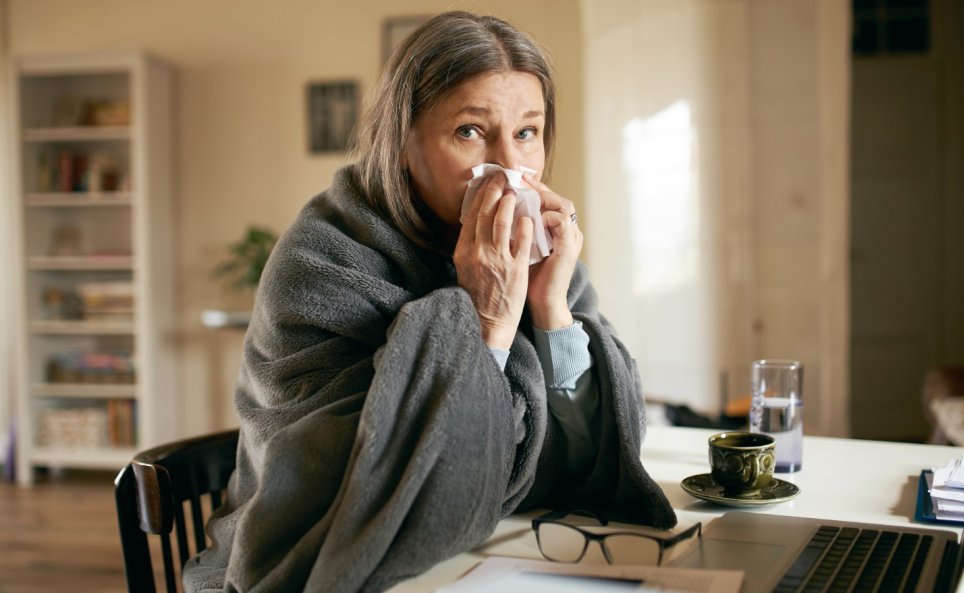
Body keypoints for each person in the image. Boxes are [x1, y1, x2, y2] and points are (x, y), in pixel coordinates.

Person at [184, 11, 676, 593]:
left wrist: (551, 312)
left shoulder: (540, 260)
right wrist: (487, 320)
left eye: (527, 133)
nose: (512, 169)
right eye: (470, 132)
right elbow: (374, 495)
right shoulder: (322, 260)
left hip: (497, 555)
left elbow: (592, 460)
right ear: (402, 143)